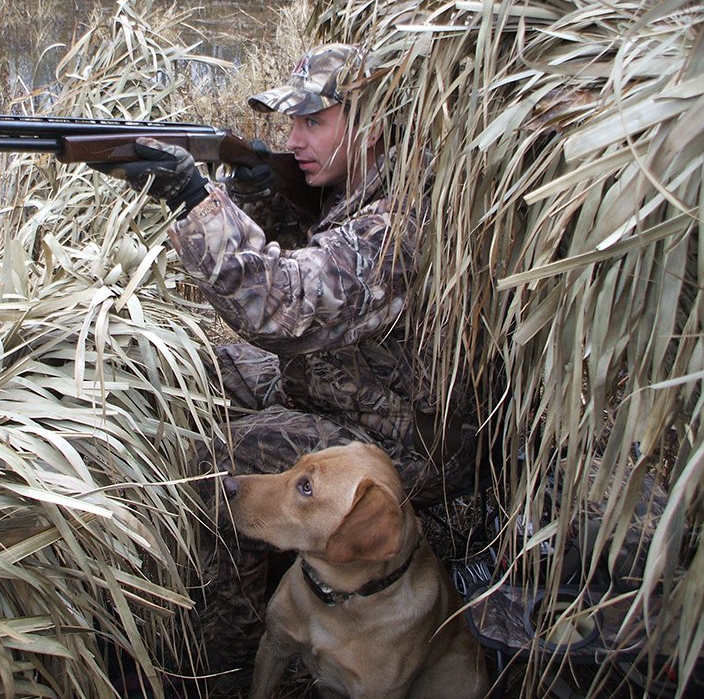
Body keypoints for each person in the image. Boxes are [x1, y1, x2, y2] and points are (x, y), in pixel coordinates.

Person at [94, 42, 481, 692]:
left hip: (400, 438)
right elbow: (314, 252)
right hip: (351, 381)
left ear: (374, 124)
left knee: (225, 463)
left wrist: (193, 197)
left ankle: (224, 650)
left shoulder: (403, 220)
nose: (293, 138)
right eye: (288, 123)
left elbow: (287, 306)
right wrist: (260, 193)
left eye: (313, 121)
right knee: (192, 371)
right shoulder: (363, 185)